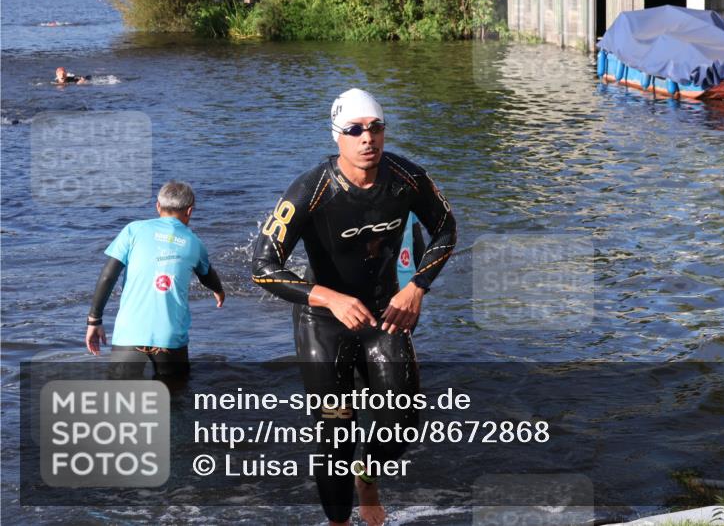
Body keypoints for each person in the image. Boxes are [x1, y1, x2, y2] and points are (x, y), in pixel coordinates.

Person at [251, 89, 457, 526]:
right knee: (335, 434)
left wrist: (417, 286)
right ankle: (340, 522)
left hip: (385, 313)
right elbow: (263, 266)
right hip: (323, 320)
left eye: (376, 128)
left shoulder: (407, 178)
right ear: (338, 137)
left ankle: (369, 476)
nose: (368, 138)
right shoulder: (311, 188)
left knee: (403, 426)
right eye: (356, 130)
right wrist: (330, 297)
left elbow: (445, 229)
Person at [86, 181, 225, 381]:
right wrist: (219, 291)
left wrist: (94, 320)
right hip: (170, 338)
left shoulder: (133, 230)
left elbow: (109, 276)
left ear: (158, 206)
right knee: (174, 401)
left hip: (129, 334)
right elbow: (207, 275)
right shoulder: (195, 243)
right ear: (190, 211)